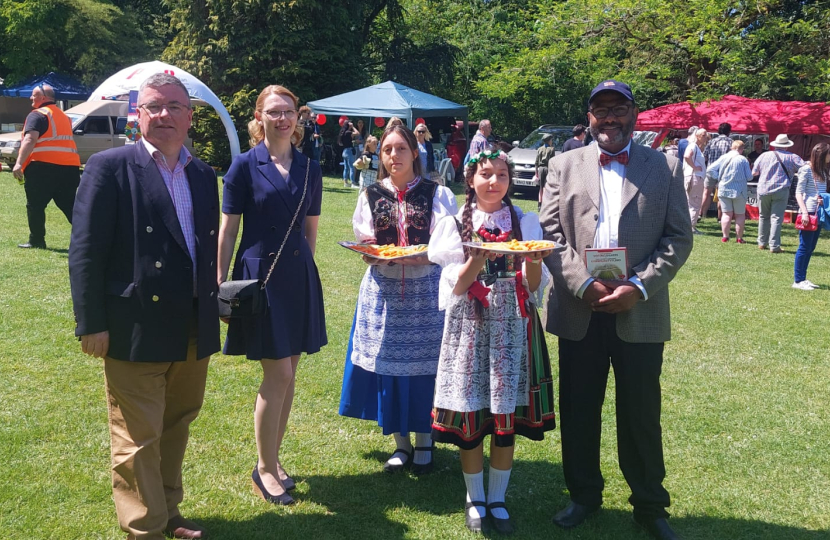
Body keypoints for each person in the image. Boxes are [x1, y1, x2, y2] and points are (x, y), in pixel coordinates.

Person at [68, 73, 220, 540]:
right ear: (137, 114)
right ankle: (145, 529)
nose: (164, 115)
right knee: (136, 438)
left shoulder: (201, 173)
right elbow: (86, 250)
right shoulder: (111, 167)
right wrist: (91, 323)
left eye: (174, 106)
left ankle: (168, 514)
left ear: (190, 117)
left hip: (193, 325)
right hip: (134, 324)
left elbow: (202, 248)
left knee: (176, 426)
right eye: (153, 106)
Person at [541, 79, 693, 540]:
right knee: (580, 408)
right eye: (601, 109)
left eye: (618, 109)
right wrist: (581, 283)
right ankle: (583, 496)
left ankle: (650, 505)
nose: (610, 117)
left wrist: (639, 287)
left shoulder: (663, 167)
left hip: (639, 311)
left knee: (641, 413)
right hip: (578, 307)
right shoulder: (563, 163)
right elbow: (549, 232)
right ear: (589, 117)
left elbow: (678, 238)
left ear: (634, 114)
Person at [428, 146, 556, 534]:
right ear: (471, 179)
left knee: (506, 415)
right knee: (472, 415)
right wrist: (479, 257)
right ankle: (474, 497)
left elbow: (533, 288)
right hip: (471, 324)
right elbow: (457, 287)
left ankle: (497, 497)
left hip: (513, 325)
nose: (494, 182)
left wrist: (533, 259)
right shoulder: (453, 224)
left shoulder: (523, 221)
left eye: (501, 175)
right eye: (485, 174)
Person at [218, 84, 327, 506]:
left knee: (290, 374)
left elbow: (311, 230)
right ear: (259, 117)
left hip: (297, 279)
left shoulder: (310, 167)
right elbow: (228, 230)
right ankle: (264, 469)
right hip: (258, 280)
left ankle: (274, 460)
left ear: (298, 119)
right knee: (277, 374)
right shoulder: (243, 167)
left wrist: (304, 275)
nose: (283, 119)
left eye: (289, 113)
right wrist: (218, 283)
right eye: (274, 112)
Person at [339, 124, 457, 477]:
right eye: (387, 150)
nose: (393, 156)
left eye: (400, 149)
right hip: (384, 291)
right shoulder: (371, 195)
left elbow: (449, 245)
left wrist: (417, 258)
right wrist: (371, 254)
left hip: (425, 291)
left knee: (425, 367)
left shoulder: (437, 194)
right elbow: (367, 241)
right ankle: (400, 444)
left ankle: (425, 440)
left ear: (414, 152)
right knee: (389, 365)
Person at [11, 83, 81, 249]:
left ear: (43, 98)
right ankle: (91, 239)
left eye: (34, 95)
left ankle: (36, 240)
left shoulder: (37, 115)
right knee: (71, 206)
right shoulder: (64, 117)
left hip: (43, 167)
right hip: (70, 168)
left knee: (35, 205)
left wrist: (19, 163)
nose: (31, 98)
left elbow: (30, 139)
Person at [753, 134, 805, 253]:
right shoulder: (792, 157)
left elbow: (754, 172)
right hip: (781, 189)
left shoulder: (764, 155)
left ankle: (761, 242)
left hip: (763, 189)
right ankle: (774, 245)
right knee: (776, 218)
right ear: (786, 146)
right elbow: (805, 169)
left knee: (763, 216)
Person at [792, 143, 830, 290]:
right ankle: (798, 280)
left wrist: (822, 199)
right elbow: (798, 192)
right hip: (808, 212)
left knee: (810, 247)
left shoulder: (822, 171)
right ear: (822, 155)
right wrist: (805, 212)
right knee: (804, 246)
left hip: (818, 212)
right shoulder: (806, 170)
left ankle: (803, 278)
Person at [706, 140, 752, 243]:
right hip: (739, 190)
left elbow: (710, 169)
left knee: (726, 214)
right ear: (741, 149)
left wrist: (718, 178)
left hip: (724, 189)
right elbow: (749, 177)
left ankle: (725, 236)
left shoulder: (724, 157)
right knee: (740, 215)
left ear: (732, 147)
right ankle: (739, 238)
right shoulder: (743, 159)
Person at [699, 123, 733, 221]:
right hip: (724, 172)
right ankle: (719, 217)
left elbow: (704, 157)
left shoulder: (712, 142)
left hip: (711, 170)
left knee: (706, 192)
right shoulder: (731, 142)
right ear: (729, 132)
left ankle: (701, 214)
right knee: (721, 194)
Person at [684, 128, 708, 234]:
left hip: (692, 176)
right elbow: (687, 156)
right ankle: (691, 227)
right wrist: (695, 167)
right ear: (697, 136)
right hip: (695, 177)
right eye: (703, 135)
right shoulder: (693, 146)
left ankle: (688, 226)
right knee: (695, 202)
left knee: (690, 202)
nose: (705, 137)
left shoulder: (696, 147)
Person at [536, 133, 557, 210]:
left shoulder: (540, 149)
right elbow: (552, 161)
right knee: (546, 186)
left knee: (540, 187)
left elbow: (536, 162)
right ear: (549, 141)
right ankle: (545, 203)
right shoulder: (552, 149)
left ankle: (539, 204)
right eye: (551, 140)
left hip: (540, 169)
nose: (551, 141)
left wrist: (536, 173)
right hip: (547, 168)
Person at [339, 119, 360, 187]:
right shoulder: (348, 132)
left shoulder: (343, 132)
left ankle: (345, 182)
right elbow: (357, 133)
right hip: (349, 151)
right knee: (352, 167)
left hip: (344, 151)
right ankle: (353, 183)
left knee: (346, 168)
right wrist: (353, 127)